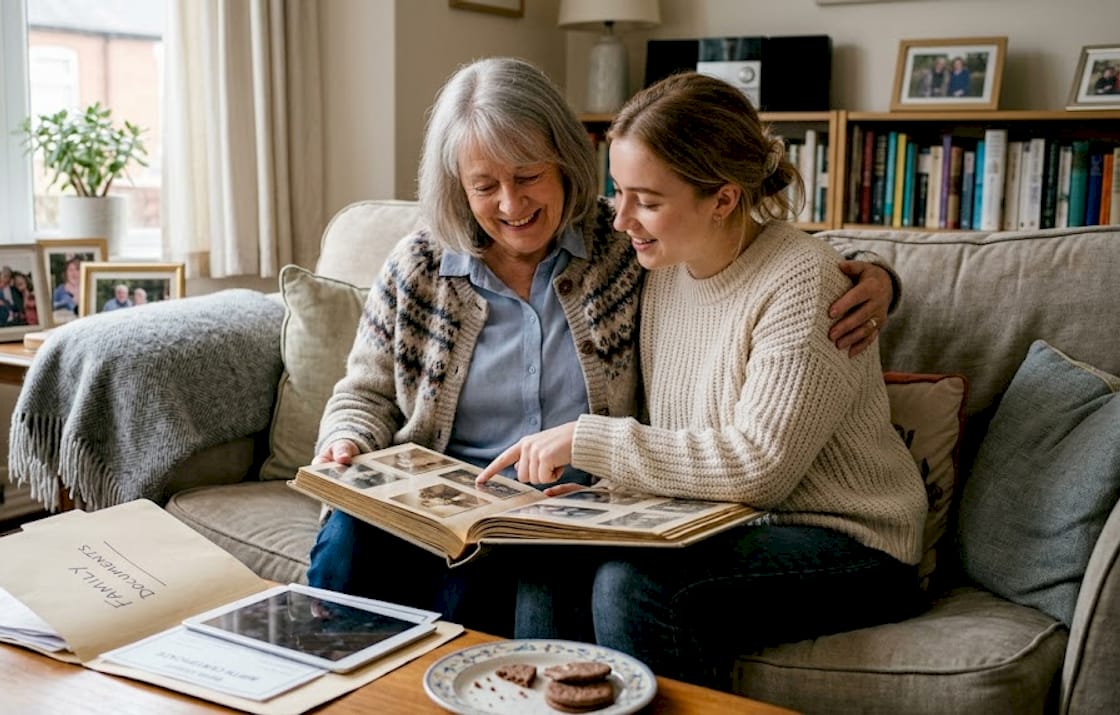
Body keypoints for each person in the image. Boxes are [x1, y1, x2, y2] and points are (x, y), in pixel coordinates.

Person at [305, 58, 898, 638]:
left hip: (800, 526)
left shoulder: (630, 255)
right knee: (388, 546)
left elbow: (773, 257)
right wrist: (344, 442)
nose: (511, 205)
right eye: (486, 186)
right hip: (499, 506)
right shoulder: (647, 258)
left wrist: (877, 277)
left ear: (564, 164)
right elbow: (366, 392)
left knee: (600, 578)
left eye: (529, 176)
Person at [478, 71, 926, 686]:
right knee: (546, 559)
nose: (621, 219)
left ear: (723, 198)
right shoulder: (663, 269)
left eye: (649, 201)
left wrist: (587, 441)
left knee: (632, 586)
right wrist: (599, 500)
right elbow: (686, 442)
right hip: (722, 523)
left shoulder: (805, 283)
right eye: (619, 192)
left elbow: (759, 466)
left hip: (852, 544)